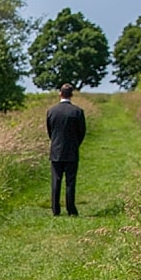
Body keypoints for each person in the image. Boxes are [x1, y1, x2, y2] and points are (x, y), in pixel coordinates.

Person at [46, 83, 86, 216]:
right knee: (70, 181)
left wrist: (55, 142)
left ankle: (55, 209)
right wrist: (75, 144)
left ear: (60, 94)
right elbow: (82, 132)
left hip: (56, 150)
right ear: (72, 95)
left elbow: (50, 131)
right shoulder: (77, 112)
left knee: (56, 181)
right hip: (72, 151)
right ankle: (71, 209)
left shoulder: (51, 111)